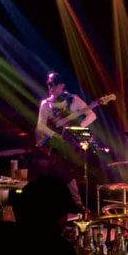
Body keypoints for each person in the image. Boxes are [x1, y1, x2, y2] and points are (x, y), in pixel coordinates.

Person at [36, 71, 97, 207]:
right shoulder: (46, 104)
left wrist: (76, 128)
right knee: (59, 171)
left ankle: (76, 202)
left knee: (64, 170)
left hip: (69, 143)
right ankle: (74, 202)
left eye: (53, 84)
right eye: (49, 84)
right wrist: (55, 135)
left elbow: (91, 115)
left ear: (62, 85)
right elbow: (40, 125)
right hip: (53, 143)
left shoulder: (73, 100)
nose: (50, 87)